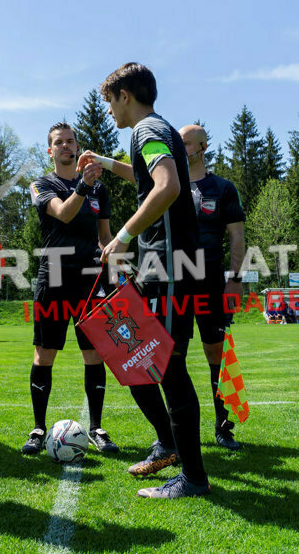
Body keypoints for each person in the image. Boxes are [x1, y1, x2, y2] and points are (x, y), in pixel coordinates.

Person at [80, 62, 209, 499]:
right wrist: (102, 162)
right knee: (147, 360)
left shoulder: (145, 130)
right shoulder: (158, 130)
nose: (109, 111)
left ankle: (191, 477)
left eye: (110, 101)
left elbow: (167, 186)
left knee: (168, 368)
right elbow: (146, 178)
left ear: (125, 96)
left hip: (170, 265)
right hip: (169, 264)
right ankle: (171, 447)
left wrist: (120, 237)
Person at [22, 121, 118, 456]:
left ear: (77, 147)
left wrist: (116, 267)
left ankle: (97, 428)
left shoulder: (99, 190)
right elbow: (62, 215)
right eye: (59, 142)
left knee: (94, 354)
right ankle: (37, 427)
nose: (66, 146)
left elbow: (104, 237)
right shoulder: (41, 184)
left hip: (91, 279)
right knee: (44, 354)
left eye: (71, 141)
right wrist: (81, 186)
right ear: (50, 150)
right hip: (55, 277)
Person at [180, 125, 246, 451]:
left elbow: (237, 236)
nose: (180, 147)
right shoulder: (168, 186)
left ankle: (223, 427)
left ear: (202, 147)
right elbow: (134, 174)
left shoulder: (223, 188)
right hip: (174, 282)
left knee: (214, 355)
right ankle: (174, 433)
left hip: (210, 281)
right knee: (170, 356)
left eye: (186, 142)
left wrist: (235, 280)